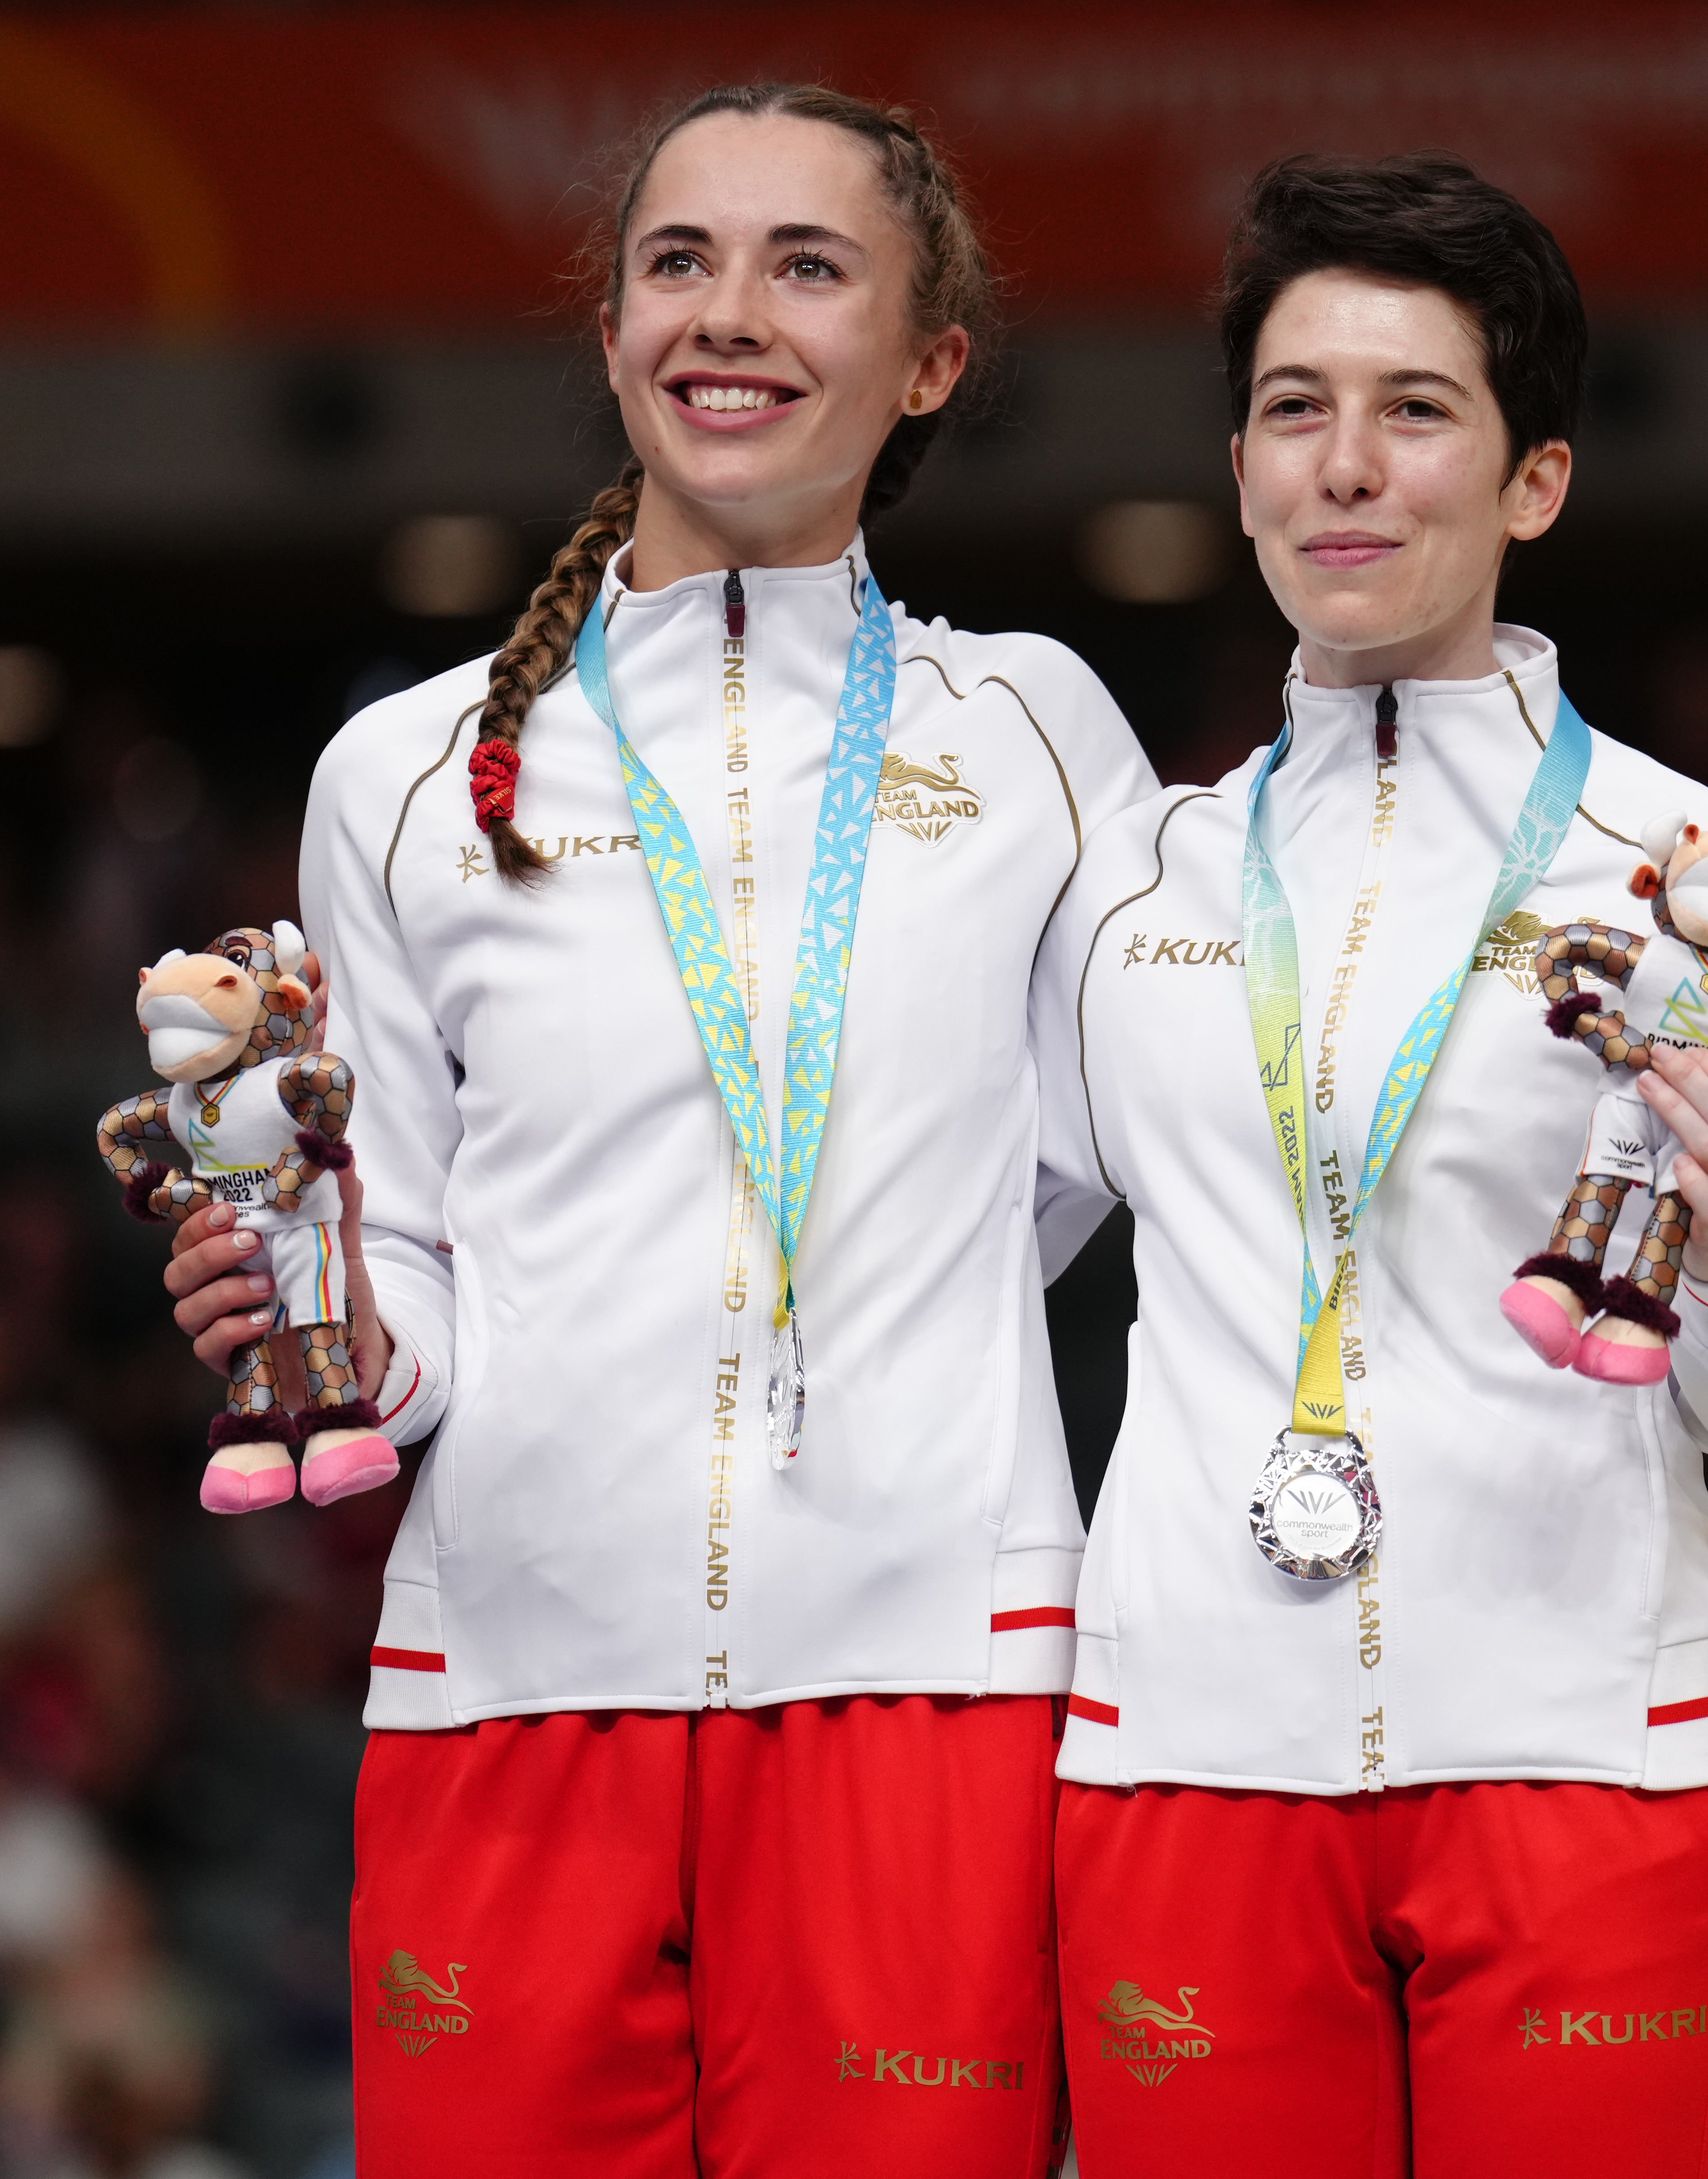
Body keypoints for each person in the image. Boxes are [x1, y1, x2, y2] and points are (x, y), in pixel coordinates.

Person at [154, 84, 1153, 2174]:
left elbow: (1078, 1168)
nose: (733, 315)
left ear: (930, 359)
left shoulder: (1042, 735)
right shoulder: (410, 776)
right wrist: (314, 1312)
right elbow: (410, 1250)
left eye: (810, 267)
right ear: (611, 336)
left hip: (933, 1696)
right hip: (510, 1689)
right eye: (679, 263)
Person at [1032, 154, 1708, 2176]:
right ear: (1237, 466)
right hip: (1188, 1761)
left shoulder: (1707, 882)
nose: (1350, 466)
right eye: (1299, 409)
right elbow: (934, 1256)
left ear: (1536, 483)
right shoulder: (1120, 886)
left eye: (1419, 411)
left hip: (1589, 1758)